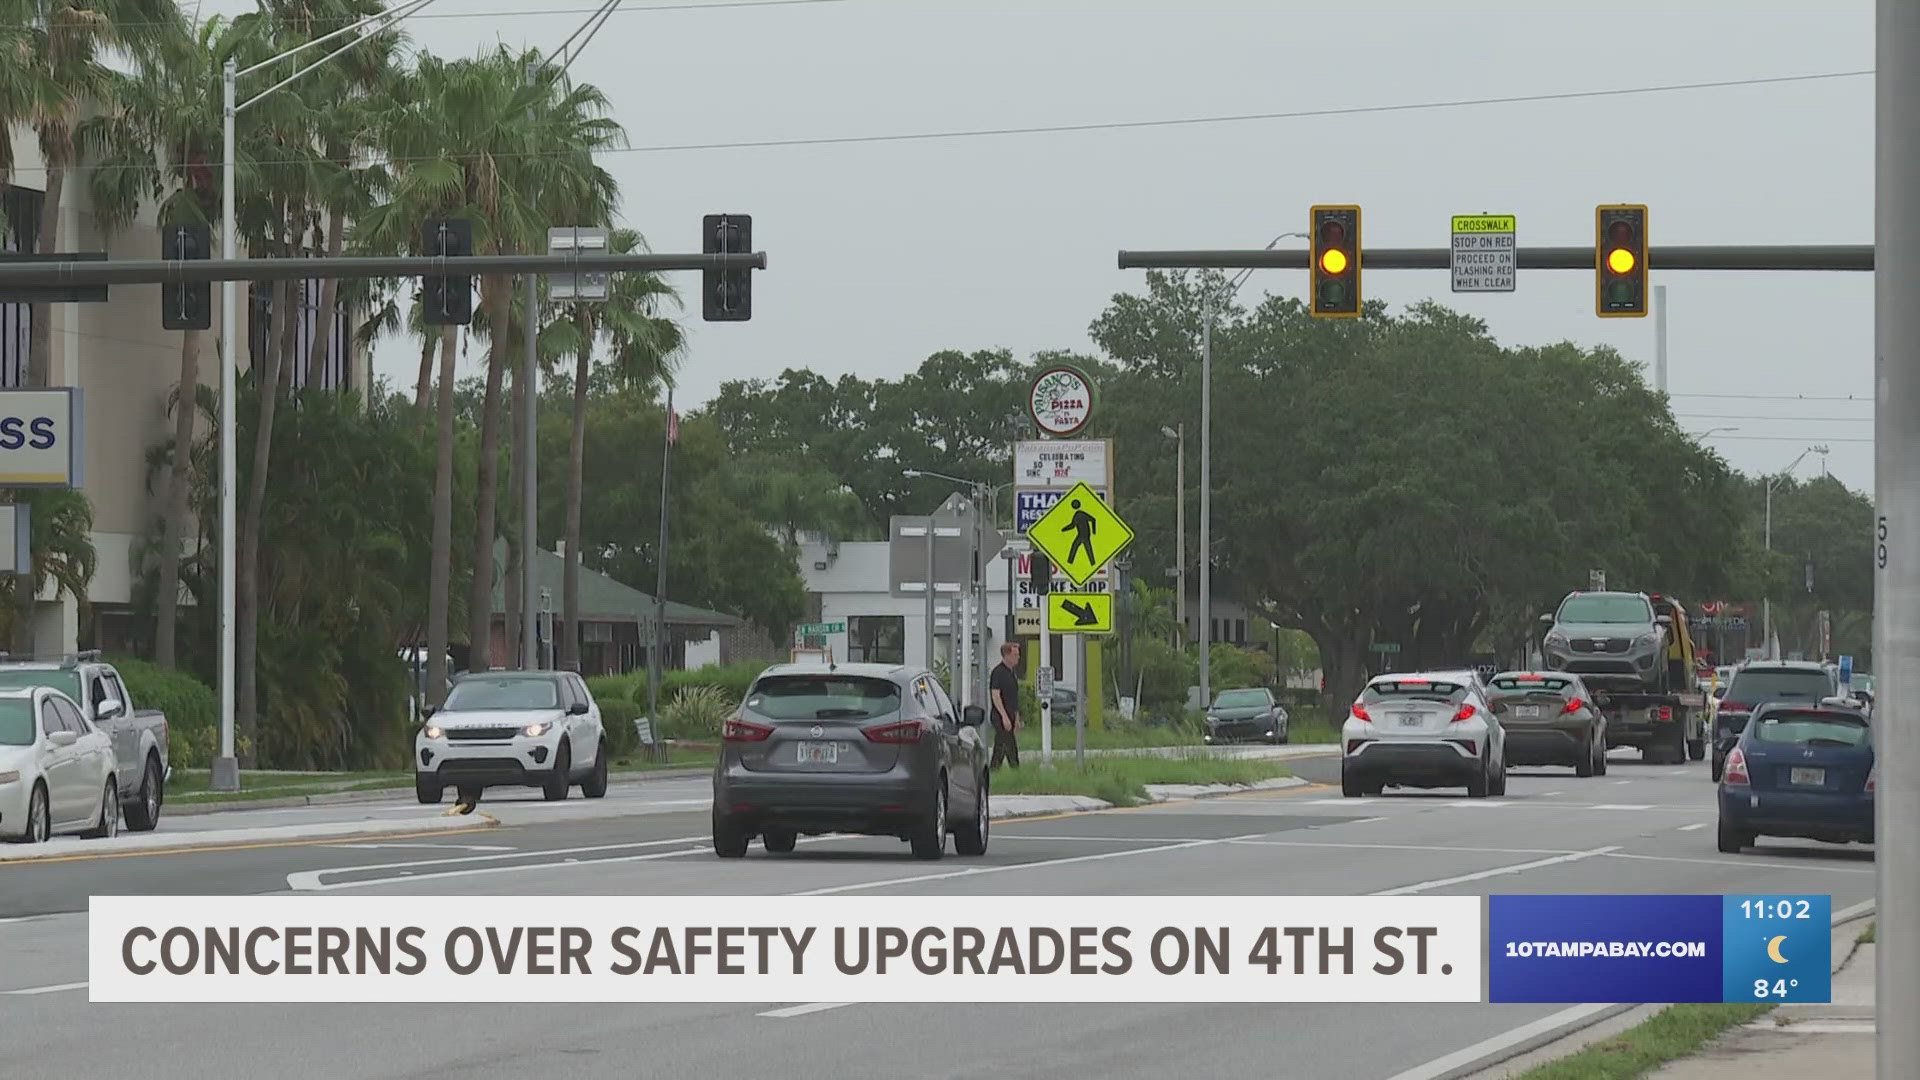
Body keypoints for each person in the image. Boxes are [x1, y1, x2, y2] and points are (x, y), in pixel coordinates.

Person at [989, 641, 1023, 768]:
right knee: (1008, 746)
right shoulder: (998, 673)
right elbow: (996, 696)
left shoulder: (1012, 674)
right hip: (1001, 717)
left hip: (1010, 715)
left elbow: (1014, 699)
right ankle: (1014, 770)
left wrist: (1017, 718)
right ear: (1006, 655)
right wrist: (1004, 717)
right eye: (1015, 655)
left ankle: (994, 770)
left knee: (1002, 747)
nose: (1018, 657)